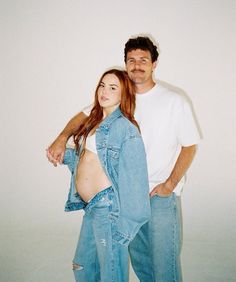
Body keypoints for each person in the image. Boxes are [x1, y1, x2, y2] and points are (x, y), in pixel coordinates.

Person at [47, 36, 200, 282]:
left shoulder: (174, 100)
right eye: (131, 60)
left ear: (154, 64)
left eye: (143, 60)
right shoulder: (120, 95)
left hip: (157, 194)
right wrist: (61, 138)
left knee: (164, 263)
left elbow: (190, 146)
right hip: (123, 195)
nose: (137, 65)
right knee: (140, 260)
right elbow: (85, 115)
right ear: (125, 63)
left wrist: (170, 184)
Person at [47, 69, 151, 282]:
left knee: (111, 272)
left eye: (113, 88)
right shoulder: (94, 122)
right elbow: (88, 159)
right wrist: (62, 154)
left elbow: (136, 180)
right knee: (83, 266)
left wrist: (127, 227)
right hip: (92, 207)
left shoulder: (126, 129)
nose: (104, 91)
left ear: (125, 95)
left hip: (108, 208)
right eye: (102, 85)